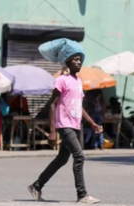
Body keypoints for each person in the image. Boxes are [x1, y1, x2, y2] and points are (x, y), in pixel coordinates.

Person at [28, 53, 102, 204]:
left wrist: (92, 123)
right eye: (75, 59)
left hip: (74, 125)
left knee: (62, 159)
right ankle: (82, 195)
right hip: (64, 125)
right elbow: (53, 104)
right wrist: (53, 131)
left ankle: (36, 186)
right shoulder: (61, 80)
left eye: (80, 59)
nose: (79, 62)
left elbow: (79, 107)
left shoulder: (78, 82)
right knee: (79, 156)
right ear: (67, 63)